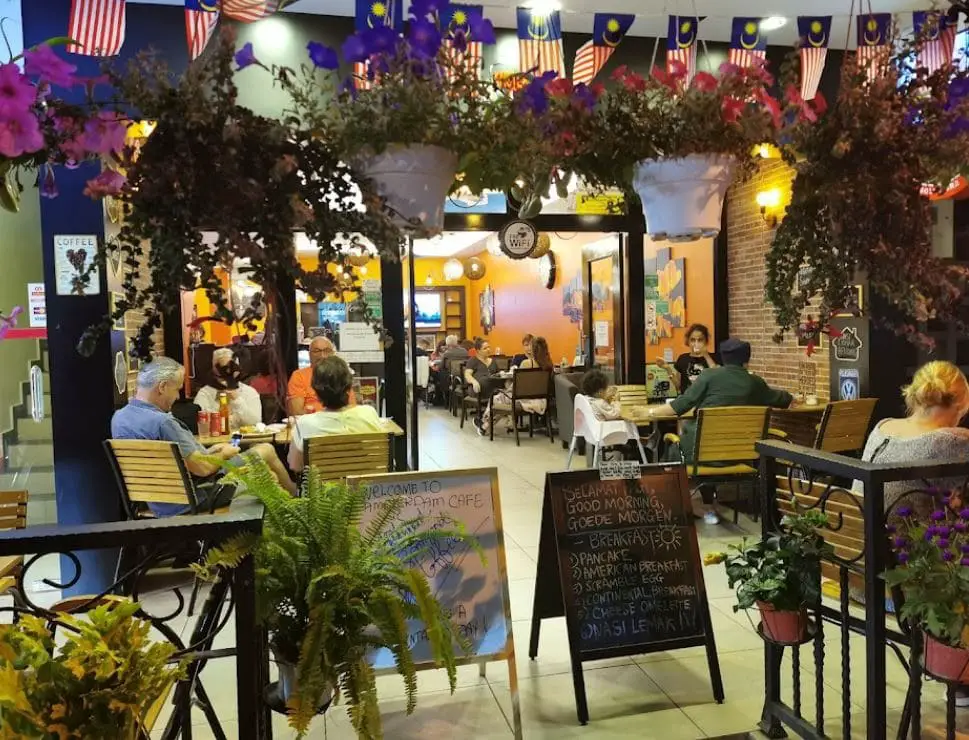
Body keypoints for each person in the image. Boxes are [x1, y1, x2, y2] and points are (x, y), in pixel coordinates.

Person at [112, 357, 297, 516]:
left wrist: (210, 451)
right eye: (177, 389)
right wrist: (224, 453)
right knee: (266, 457)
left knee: (264, 472)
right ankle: (298, 507)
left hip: (153, 501)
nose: (177, 396)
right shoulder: (163, 423)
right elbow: (202, 468)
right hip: (192, 499)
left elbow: (183, 463)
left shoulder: (119, 418)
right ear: (162, 387)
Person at [856, 361, 969, 513]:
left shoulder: (882, 426)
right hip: (905, 534)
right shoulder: (952, 440)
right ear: (961, 405)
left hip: (859, 527)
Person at [288, 356, 385, 470]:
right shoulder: (369, 413)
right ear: (349, 387)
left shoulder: (305, 423)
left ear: (316, 391)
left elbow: (295, 466)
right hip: (366, 485)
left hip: (323, 487)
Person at [476, 336, 553, 435]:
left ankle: (484, 425)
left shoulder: (527, 363)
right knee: (502, 399)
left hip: (525, 400)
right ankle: (485, 425)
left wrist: (507, 391)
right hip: (541, 401)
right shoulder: (548, 364)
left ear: (533, 349)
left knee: (495, 399)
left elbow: (518, 385)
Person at [194, 348, 262, 430]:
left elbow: (256, 422)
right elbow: (201, 423)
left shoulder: (249, 392)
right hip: (216, 440)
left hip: (243, 439)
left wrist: (237, 400)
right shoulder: (205, 393)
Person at [657, 323, 719, 393]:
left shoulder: (713, 358)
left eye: (700, 340)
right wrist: (668, 369)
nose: (696, 343)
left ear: (706, 341)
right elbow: (678, 386)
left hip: (707, 401)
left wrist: (706, 355)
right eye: (692, 340)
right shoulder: (683, 359)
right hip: (688, 401)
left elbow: (717, 379)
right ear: (688, 342)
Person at [287, 336, 335, 416]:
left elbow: (350, 408)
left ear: (333, 354)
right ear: (309, 354)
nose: (322, 355)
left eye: (327, 351)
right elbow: (296, 412)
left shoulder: (341, 375)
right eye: (317, 351)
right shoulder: (299, 376)